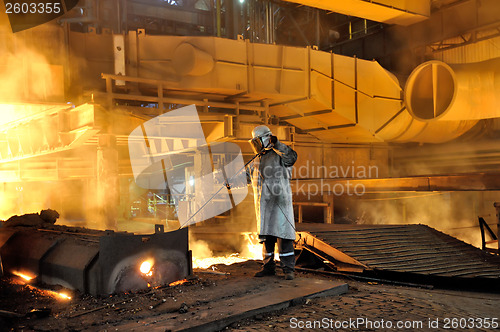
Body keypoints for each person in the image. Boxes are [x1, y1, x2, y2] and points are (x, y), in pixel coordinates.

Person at [247, 125, 298, 280]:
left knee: (284, 235)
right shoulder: (257, 159)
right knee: (267, 236)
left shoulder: (280, 154)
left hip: (280, 201)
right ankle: (268, 267)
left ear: (267, 138)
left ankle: (288, 270)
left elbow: (292, 157)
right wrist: (231, 181)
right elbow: (248, 176)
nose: (256, 145)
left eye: (257, 141)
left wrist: (277, 144)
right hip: (264, 204)